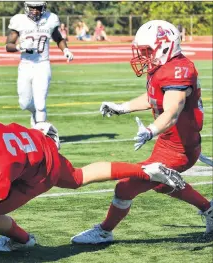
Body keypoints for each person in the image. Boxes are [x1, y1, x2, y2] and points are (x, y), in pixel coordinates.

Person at [0, 108, 185, 252]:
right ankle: (145, 170)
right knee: (80, 176)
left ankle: (22, 241)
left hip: (38, 172)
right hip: (34, 142)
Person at [71, 20, 213, 244]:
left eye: (147, 50)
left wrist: (151, 130)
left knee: (124, 188)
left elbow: (172, 112)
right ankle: (208, 209)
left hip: (179, 149)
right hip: (172, 143)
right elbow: (153, 98)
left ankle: (104, 231)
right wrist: (122, 107)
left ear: (166, 46)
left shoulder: (177, 72)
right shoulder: (165, 67)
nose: (143, 56)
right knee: (159, 184)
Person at [6, 2, 74, 127]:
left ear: (43, 8)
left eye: (38, 8)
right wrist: (19, 47)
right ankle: (35, 113)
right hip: (26, 65)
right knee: (24, 103)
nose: (35, 11)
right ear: (27, 8)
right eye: (32, 8)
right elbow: (8, 46)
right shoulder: (19, 20)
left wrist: (65, 50)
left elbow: (58, 38)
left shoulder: (50, 19)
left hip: (42, 64)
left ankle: (41, 131)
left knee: (41, 104)